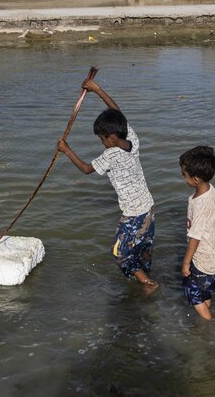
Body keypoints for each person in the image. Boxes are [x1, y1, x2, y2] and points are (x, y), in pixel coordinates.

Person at [57, 79, 157, 289]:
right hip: (148, 208)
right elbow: (117, 112)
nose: (101, 142)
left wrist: (66, 150)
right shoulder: (132, 142)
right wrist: (97, 89)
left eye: (102, 139)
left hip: (133, 214)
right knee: (142, 247)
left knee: (119, 253)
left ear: (111, 138)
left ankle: (147, 283)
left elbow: (85, 169)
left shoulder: (110, 155)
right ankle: (146, 276)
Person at [179, 146, 215, 321]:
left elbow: (195, 238)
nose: (183, 177)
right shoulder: (209, 189)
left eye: (184, 174)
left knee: (193, 295)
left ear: (196, 179)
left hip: (203, 260)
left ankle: (209, 324)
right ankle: (206, 316)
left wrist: (186, 262)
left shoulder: (200, 206)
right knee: (205, 292)